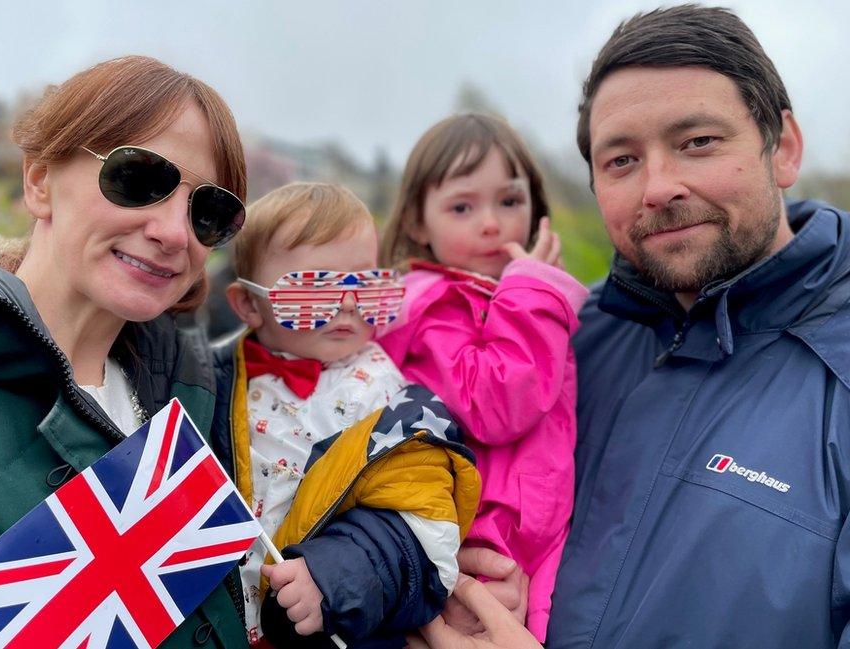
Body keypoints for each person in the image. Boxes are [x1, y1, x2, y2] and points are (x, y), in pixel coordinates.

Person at [420, 5, 850, 648]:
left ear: (782, 147)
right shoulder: (557, 345)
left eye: (697, 142)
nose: (658, 187)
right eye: (621, 160)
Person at [0, 56, 252, 647]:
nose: (175, 232)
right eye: (138, 179)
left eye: (209, 212)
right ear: (40, 181)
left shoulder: (207, 394)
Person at [210, 182, 481, 647]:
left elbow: (423, 528)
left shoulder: (389, 400)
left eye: (368, 285)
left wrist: (333, 577)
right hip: (222, 623)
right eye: (314, 289)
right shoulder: (212, 380)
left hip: (331, 626)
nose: (348, 305)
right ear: (249, 305)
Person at [376, 113, 588, 642]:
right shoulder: (431, 307)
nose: (491, 223)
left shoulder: (510, 298)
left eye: (509, 202)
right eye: (462, 207)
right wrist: (535, 293)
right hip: (477, 538)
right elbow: (494, 402)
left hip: (533, 531)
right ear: (419, 223)